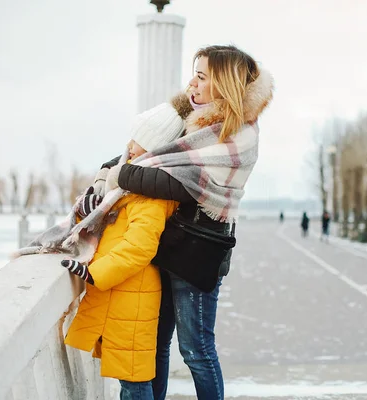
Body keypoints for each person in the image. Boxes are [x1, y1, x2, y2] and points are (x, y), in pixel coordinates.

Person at [97, 45, 274, 400]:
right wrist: (113, 168)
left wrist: (123, 175)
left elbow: (180, 184)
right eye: (194, 73)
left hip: (197, 254)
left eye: (202, 76)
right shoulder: (187, 120)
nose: (192, 82)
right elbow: (154, 153)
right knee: (156, 346)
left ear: (224, 84)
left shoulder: (238, 135)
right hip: (163, 246)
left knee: (197, 351)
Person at [60, 101, 187, 400]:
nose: (129, 146)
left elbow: (139, 248)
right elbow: (105, 224)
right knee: (129, 377)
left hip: (133, 295)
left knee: (134, 380)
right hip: (123, 294)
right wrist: (85, 212)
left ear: (155, 150)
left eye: (138, 142)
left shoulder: (152, 195)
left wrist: (92, 272)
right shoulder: (128, 183)